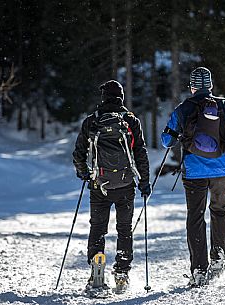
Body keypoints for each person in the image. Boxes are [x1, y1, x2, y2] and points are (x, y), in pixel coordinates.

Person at [161, 67, 225, 286]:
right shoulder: (224, 106)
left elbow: (167, 141)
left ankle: (199, 270)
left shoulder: (184, 108)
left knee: (195, 217)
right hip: (222, 172)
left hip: (194, 173)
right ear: (210, 86)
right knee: (219, 211)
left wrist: (177, 134)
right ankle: (219, 256)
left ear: (192, 87)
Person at [72, 80, 151, 291]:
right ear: (121, 98)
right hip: (125, 185)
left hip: (100, 184)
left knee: (98, 227)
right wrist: (144, 181)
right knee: (124, 228)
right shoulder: (131, 120)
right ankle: (122, 271)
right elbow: (140, 153)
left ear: (103, 97)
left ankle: (97, 263)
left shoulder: (91, 122)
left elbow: (79, 153)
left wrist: (85, 174)